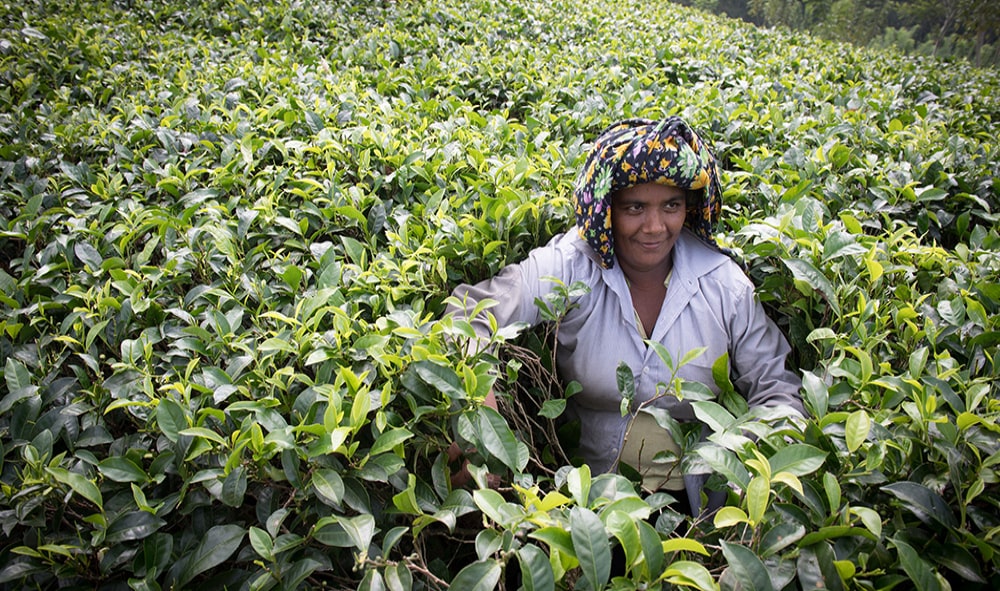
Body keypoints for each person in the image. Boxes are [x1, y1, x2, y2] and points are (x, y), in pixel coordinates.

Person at [445, 116, 805, 516]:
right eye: (635, 207)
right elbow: (468, 314)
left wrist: (763, 475)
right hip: (589, 507)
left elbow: (776, 388)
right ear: (606, 210)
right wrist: (476, 413)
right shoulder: (571, 267)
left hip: (705, 508)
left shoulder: (724, 287)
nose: (654, 227)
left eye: (671, 206)